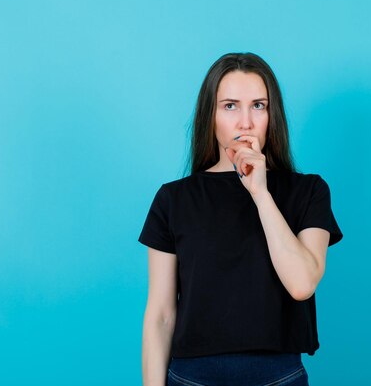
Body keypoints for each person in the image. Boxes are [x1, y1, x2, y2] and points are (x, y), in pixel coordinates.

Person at [138, 52, 343, 386]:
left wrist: (261, 194)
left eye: (258, 106)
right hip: (192, 378)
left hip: (278, 376)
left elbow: (302, 284)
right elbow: (161, 315)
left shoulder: (308, 191)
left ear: (271, 114)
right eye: (230, 106)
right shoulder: (173, 199)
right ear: (211, 115)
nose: (245, 122)